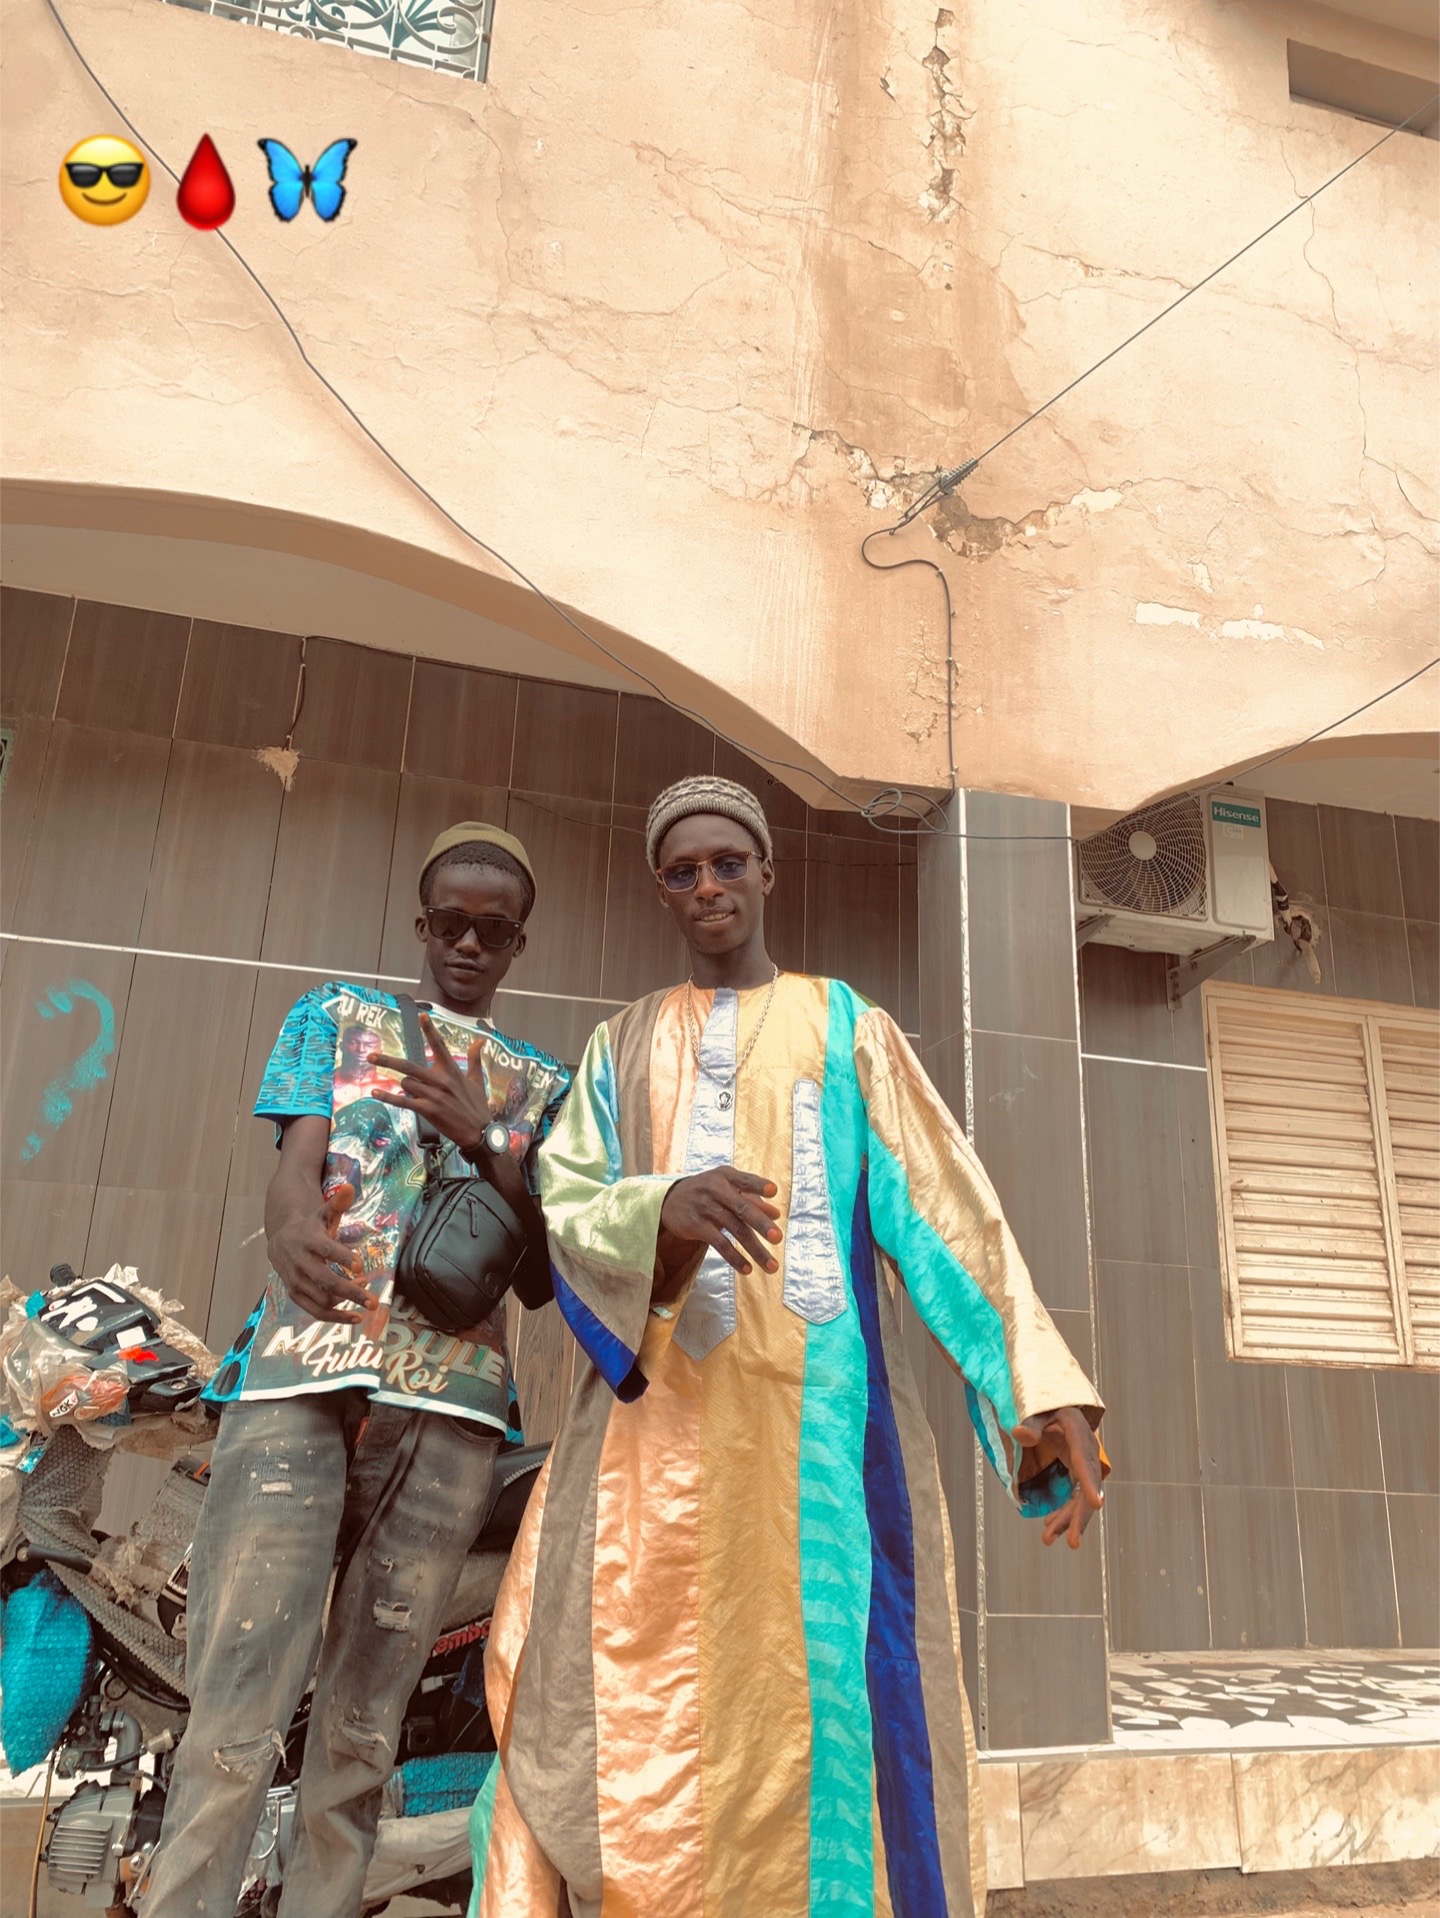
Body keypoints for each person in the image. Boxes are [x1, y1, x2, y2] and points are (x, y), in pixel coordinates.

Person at [469, 776, 1107, 1918]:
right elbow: (567, 1207)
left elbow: (949, 1214)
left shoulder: (851, 1026)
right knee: (621, 1710)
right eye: (683, 871)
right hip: (649, 1462)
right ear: (661, 890)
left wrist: (1036, 1386)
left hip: (824, 1464)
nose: (708, 886)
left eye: (728, 862)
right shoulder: (621, 1045)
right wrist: (661, 1213)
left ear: (768, 870)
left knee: (834, 1722)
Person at [141, 823, 570, 1918]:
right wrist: (290, 1229)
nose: (468, 943)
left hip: (452, 1412)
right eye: (450, 922)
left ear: (519, 943)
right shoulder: (333, 1017)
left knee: (362, 1733)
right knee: (234, 1714)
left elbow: (545, 1275)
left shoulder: (547, 1086)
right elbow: (296, 1164)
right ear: (421, 923)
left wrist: (488, 1138)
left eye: (493, 930)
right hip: (299, 1375)